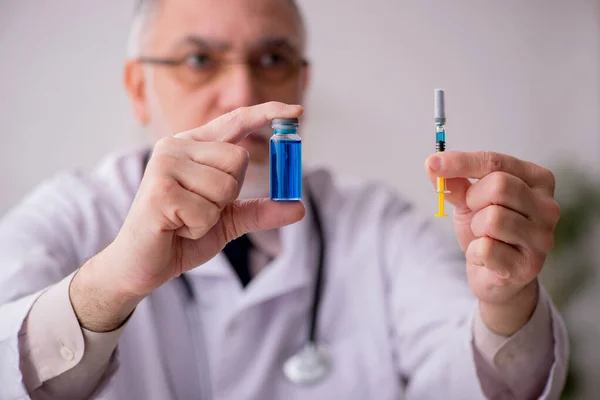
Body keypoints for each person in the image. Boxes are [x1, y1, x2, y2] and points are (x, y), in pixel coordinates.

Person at [0, 0, 568, 399]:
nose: (245, 92)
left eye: (272, 60)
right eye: (199, 60)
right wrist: (108, 287)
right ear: (137, 88)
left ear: (303, 82)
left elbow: (476, 382)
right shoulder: (71, 213)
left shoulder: (376, 224)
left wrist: (505, 301)